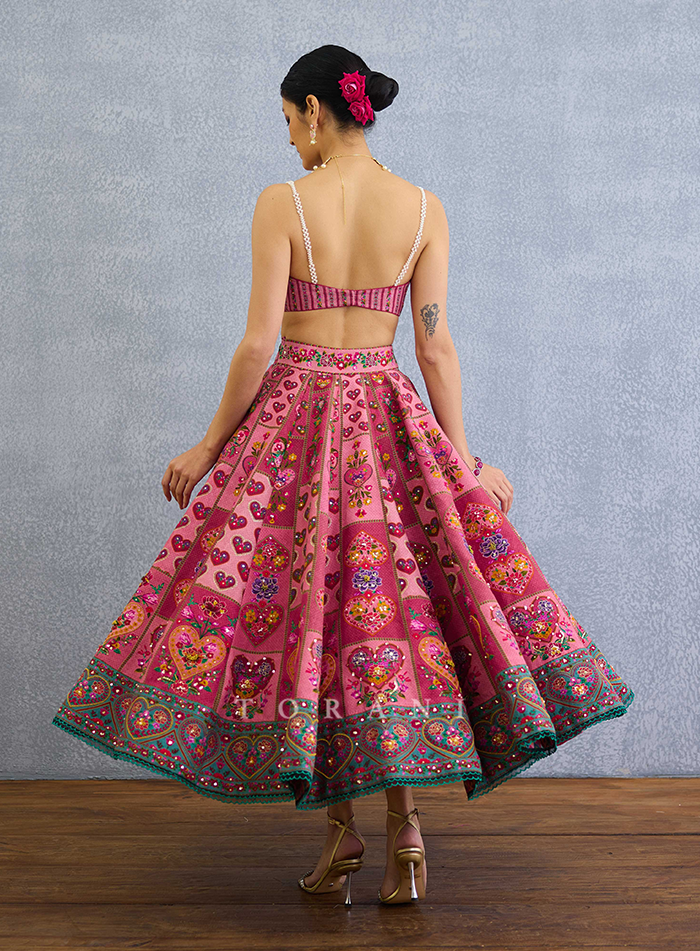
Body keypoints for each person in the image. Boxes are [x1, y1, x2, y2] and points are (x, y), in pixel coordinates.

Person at [52, 44, 634, 908]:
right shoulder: (425, 208)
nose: (290, 140)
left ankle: (344, 829)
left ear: (317, 112)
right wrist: (462, 464)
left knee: (313, 623)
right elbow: (434, 347)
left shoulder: (284, 202)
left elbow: (258, 343)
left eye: (289, 122)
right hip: (388, 424)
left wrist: (208, 446)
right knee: (385, 618)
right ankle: (405, 832)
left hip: (295, 426)